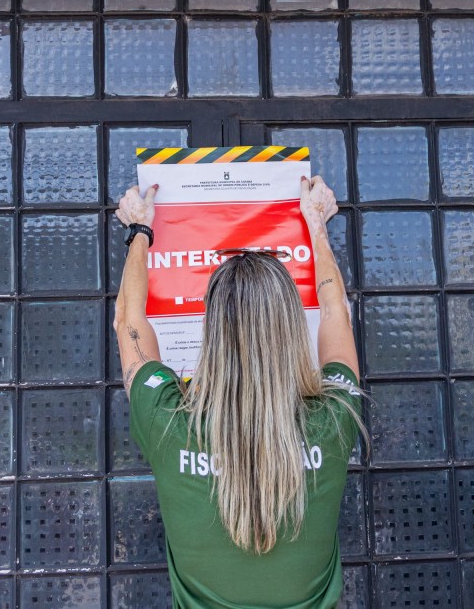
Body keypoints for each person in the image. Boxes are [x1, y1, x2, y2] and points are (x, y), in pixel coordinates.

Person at [113, 175, 364, 609]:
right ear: (291, 329)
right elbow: (335, 312)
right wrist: (316, 226)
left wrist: (140, 230)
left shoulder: (167, 421)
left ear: (211, 332)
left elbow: (128, 321)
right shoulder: (334, 418)